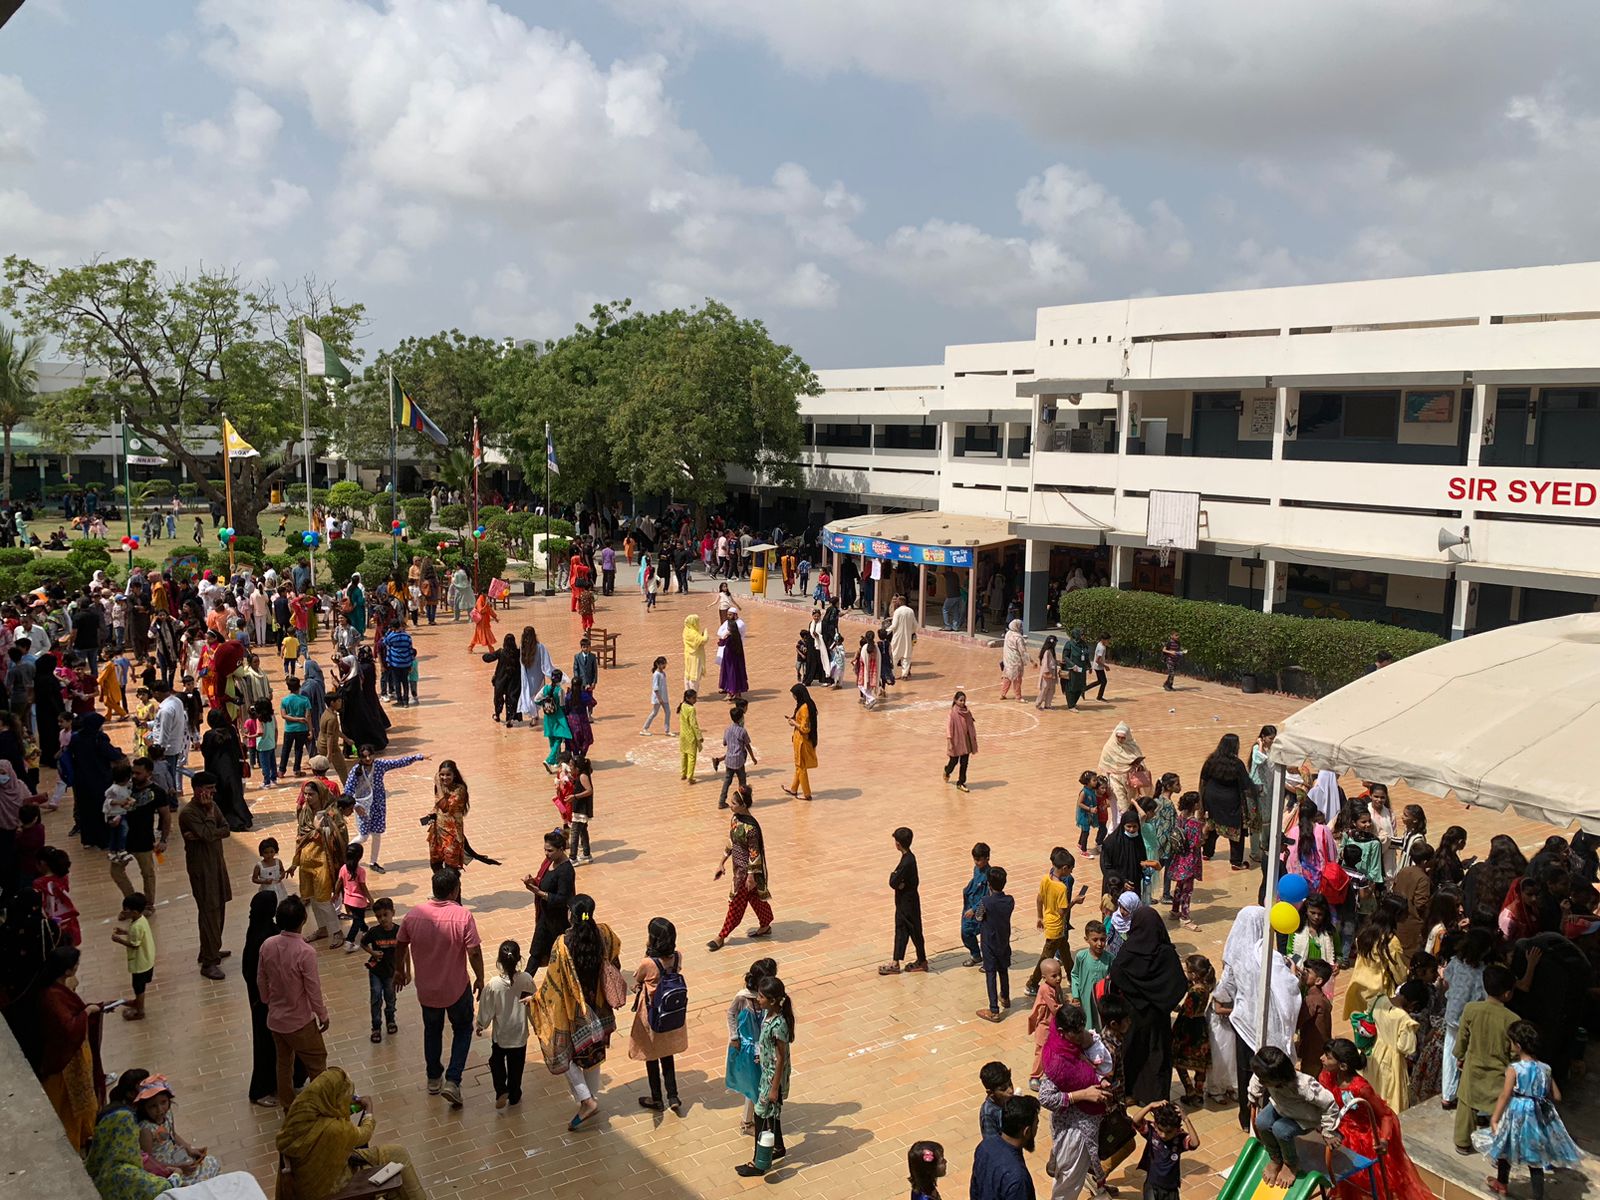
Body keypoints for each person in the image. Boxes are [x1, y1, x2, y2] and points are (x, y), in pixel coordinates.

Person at [531, 893, 623, 1130]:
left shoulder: (563, 945)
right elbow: (615, 959)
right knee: (593, 1055)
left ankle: (586, 1100)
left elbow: (552, 982)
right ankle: (591, 1099)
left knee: (565, 1056)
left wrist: (536, 999)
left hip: (575, 1014)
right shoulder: (604, 934)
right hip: (600, 1009)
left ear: (571, 914)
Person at [395, 867, 485, 1108]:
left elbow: (400, 943)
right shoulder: (462, 916)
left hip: (427, 990)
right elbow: (474, 952)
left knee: (432, 1031)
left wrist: (399, 970)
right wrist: (480, 977)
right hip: (456, 988)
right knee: (463, 1029)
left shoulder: (414, 915)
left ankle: (434, 1078)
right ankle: (453, 1081)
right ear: (455, 890)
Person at [275, 1067, 427, 1200]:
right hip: (331, 1186)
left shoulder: (301, 1108)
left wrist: (347, 1108)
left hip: (309, 1179)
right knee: (399, 1158)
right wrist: (369, 1110)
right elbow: (364, 1134)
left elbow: (328, 1113)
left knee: (397, 1152)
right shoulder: (334, 1129)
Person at [1213, 906, 1301, 1131]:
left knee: (1246, 1072)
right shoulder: (1271, 957)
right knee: (1270, 1071)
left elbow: (1225, 991)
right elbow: (1289, 989)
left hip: (1244, 1025)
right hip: (1268, 1027)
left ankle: (1247, 1118)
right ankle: (1268, 1119)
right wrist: (1292, 973)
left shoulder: (1234, 957)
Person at [6, 945, 101, 1149]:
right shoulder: (52, 996)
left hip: (73, 1056)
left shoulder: (57, 988)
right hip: (66, 1062)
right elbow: (68, 1028)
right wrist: (87, 1013)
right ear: (67, 970)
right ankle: (76, 1142)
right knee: (71, 1107)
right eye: (75, 964)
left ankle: (85, 1135)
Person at [1486, 1021, 1580, 1199]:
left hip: (1516, 1114)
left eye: (1511, 1042)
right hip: (1535, 1117)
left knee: (1506, 1148)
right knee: (1535, 1158)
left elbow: (1505, 1095)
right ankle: (1538, 1196)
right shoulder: (1546, 1069)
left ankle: (1502, 1184)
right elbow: (1557, 1096)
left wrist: (1495, 1118)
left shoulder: (1514, 1069)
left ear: (1518, 1046)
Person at [1109, 905, 1188, 1103]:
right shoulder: (1166, 953)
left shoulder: (1128, 951)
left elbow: (1116, 974)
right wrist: (1162, 1002)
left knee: (1132, 1052)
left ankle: (1130, 1093)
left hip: (1133, 1015)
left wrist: (1136, 998)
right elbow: (1180, 984)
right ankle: (1157, 1096)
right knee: (1157, 1055)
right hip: (1158, 1016)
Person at [257, 895, 331, 1107]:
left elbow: (261, 978)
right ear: (303, 920)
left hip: (276, 1019)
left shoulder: (268, 945)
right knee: (317, 1063)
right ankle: (322, 1108)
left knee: (283, 1063)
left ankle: (288, 1106)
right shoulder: (305, 952)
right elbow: (313, 989)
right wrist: (322, 1014)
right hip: (300, 1021)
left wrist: (267, 1000)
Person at [1248, 1045, 1340, 1189]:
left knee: (1280, 1129)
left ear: (1278, 1078)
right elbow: (1257, 1078)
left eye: (1265, 1080)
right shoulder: (1266, 1075)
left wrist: (1328, 1130)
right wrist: (1253, 1095)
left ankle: (1291, 1163)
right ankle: (1275, 1157)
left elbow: (1329, 1104)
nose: (1262, 1082)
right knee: (1261, 1121)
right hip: (1280, 1107)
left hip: (1304, 1117)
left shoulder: (1303, 1086)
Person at [1454, 963, 1520, 1153]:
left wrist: (1460, 1055)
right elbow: (1514, 1052)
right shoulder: (1512, 1019)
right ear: (1507, 993)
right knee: (1500, 1110)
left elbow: (1462, 1038)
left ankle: (1462, 1142)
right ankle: (1498, 1149)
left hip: (1473, 1068)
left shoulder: (1471, 1009)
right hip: (1499, 1075)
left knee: (1466, 1104)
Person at [735, 974, 795, 1177]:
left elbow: (781, 1058)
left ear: (772, 1000)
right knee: (771, 1113)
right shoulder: (768, 1016)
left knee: (761, 1115)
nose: (758, 999)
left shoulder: (779, 1024)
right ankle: (778, 1146)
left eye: (761, 997)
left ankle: (759, 1163)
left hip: (772, 1078)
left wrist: (775, 1088)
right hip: (766, 1073)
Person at [630, 916, 689, 1113]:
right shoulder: (677, 957)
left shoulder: (648, 963)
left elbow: (638, 978)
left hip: (651, 1016)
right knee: (667, 1053)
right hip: (670, 1014)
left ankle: (656, 1099)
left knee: (651, 1056)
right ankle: (673, 1095)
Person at [242, 890, 294, 1107]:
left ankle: (281, 1081)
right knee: (265, 1044)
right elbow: (253, 972)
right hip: (264, 1003)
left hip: (268, 1000)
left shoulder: (261, 929)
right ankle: (261, 1089)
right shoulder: (261, 938)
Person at [178, 771, 231, 979]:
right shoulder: (189, 813)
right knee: (209, 912)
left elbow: (226, 829)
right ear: (199, 790)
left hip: (217, 865)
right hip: (202, 870)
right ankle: (209, 962)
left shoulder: (213, 806)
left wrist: (206, 833)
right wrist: (209, 820)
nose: (214, 791)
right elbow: (210, 834)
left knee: (219, 909)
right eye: (210, 788)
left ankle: (210, 949)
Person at [346, 745, 424, 873]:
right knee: (363, 836)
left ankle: (373, 862)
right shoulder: (356, 771)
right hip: (363, 807)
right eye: (364, 756)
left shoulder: (380, 765)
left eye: (370, 755)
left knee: (377, 834)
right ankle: (345, 852)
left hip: (378, 805)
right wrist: (355, 806)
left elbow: (398, 762)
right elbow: (348, 791)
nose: (368, 758)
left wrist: (418, 757)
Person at [476, 939, 535, 1109]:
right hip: (520, 1034)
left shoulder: (494, 985)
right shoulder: (526, 979)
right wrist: (538, 1025)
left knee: (496, 1062)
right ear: (519, 959)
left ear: (499, 961)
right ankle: (514, 1094)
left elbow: (487, 1008)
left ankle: (501, 1089)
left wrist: (481, 1024)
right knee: (517, 1066)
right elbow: (534, 1004)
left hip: (501, 1035)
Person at [289, 780, 345, 947]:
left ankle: (337, 931)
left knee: (323, 899)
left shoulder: (331, 813)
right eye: (305, 794)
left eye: (311, 794)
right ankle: (322, 928)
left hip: (323, 862)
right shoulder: (304, 812)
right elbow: (300, 837)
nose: (307, 797)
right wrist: (295, 862)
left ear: (320, 794)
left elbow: (339, 835)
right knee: (312, 898)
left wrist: (320, 830)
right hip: (306, 861)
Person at [1025, 846, 1084, 994]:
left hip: (1050, 922)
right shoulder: (1061, 888)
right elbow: (1062, 912)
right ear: (1064, 868)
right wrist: (1075, 901)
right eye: (1070, 869)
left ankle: (1072, 977)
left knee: (1065, 952)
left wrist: (1039, 916)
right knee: (1046, 957)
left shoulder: (1045, 879)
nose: (1071, 872)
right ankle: (1032, 983)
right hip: (1056, 927)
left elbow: (1039, 899)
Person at [970, 1094, 1041, 1200]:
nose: (1037, 1129)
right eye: (1036, 1125)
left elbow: (975, 1190)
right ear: (1026, 1131)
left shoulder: (984, 1147)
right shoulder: (1018, 1179)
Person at [524, 828, 577, 970]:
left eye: (550, 850)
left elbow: (563, 898)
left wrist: (540, 893)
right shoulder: (549, 862)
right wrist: (533, 882)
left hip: (558, 922)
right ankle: (524, 984)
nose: (546, 853)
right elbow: (542, 881)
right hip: (545, 918)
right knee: (535, 953)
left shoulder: (566, 871)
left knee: (562, 957)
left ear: (561, 849)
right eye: (545, 850)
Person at [1131, 1100, 1199, 1200]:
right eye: (1160, 1130)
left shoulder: (1180, 1139)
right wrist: (1150, 1106)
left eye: (1169, 1132)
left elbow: (1195, 1143)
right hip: (1152, 1185)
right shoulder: (1152, 1132)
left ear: (1177, 1129)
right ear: (1155, 1125)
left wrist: (1186, 1120)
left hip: (1171, 1188)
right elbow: (1136, 1121)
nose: (1163, 1135)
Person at [975, 866, 1015, 1023]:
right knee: (1003, 970)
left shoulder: (985, 902)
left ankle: (994, 1010)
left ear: (989, 884)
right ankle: (1005, 997)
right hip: (1003, 941)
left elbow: (978, 917)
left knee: (991, 974)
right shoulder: (1009, 900)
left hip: (989, 943)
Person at [110, 891, 155, 1021]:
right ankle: (138, 1002)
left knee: (139, 988)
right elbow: (137, 935)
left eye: (126, 910)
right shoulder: (141, 920)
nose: (124, 912)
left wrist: (118, 940)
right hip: (147, 959)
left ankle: (140, 1011)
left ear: (134, 912)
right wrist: (124, 932)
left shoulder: (136, 927)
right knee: (140, 986)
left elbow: (134, 944)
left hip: (140, 963)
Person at [1098, 722, 1144, 825]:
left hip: (1131, 782)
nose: (1120, 739)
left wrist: (1137, 766)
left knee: (1131, 806)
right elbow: (1105, 766)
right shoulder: (1109, 747)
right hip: (1115, 782)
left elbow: (1142, 765)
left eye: (1123, 738)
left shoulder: (1133, 747)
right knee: (1121, 810)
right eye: (1118, 737)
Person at [715, 700, 757, 810]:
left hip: (729, 760)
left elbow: (724, 743)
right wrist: (753, 757)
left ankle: (721, 801)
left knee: (727, 781)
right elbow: (747, 745)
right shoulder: (742, 731)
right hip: (739, 760)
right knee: (742, 782)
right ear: (741, 718)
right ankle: (742, 801)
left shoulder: (727, 730)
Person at [1069, 919, 1110, 1030]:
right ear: (1086, 940)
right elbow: (1075, 975)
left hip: (1102, 1000)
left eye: (1102, 939)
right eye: (1095, 940)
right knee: (1087, 1024)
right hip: (1085, 999)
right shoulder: (1081, 957)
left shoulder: (1110, 958)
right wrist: (1076, 996)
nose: (1099, 944)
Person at [783, 683, 818, 801]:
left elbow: (805, 728)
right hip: (799, 740)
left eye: (794, 695)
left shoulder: (804, 708)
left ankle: (807, 794)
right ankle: (794, 789)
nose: (793, 697)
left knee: (801, 766)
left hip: (802, 742)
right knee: (799, 765)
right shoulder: (806, 704)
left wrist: (794, 723)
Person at [943, 690, 978, 792]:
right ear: (955, 700)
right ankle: (947, 771)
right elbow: (949, 728)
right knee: (953, 761)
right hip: (956, 741)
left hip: (966, 741)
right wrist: (949, 741)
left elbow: (970, 725)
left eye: (964, 700)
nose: (962, 702)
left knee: (964, 762)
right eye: (960, 700)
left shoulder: (967, 712)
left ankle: (961, 782)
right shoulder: (952, 713)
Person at [888, 593, 917, 678]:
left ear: (900, 602)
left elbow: (894, 625)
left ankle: (893, 674)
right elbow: (915, 625)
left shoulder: (897, 611)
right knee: (906, 656)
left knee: (895, 656)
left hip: (898, 637)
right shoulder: (910, 611)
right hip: (907, 638)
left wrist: (886, 631)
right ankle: (904, 674)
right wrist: (911, 632)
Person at [997, 619, 1026, 700]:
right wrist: (1031, 661)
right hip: (1016, 661)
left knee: (1007, 677)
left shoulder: (1008, 634)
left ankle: (1002, 694)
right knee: (1017, 679)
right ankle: (1018, 697)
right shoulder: (1018, 638)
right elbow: (1022, 651)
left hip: (1007, 660)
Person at [678, 688, 702, 783]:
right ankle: (690, 777)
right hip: (690, 736)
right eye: (694, 698)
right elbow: (693, 724)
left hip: (683, 735)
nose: (695, 700)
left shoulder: (682, 705)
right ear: (688, 698)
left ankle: (683, 774)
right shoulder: (691, 709)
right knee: (692, 756)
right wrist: (699, 736)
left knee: (684, 755)